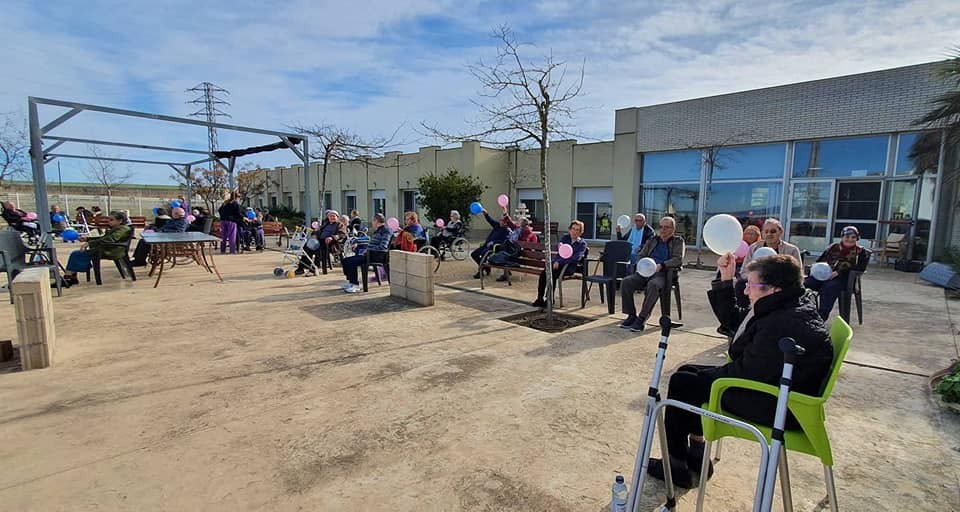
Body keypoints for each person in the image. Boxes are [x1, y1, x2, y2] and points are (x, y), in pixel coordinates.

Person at [646, 253, 834, 489]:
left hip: (778, 405)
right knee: (686, 373)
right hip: (778, 390)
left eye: (751, 285)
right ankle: (696, 455)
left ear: (773, 289)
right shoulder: (788, 304)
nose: (745, 291)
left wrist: (706, 377)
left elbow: (743, 373)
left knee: (683, 383)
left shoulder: (781, 324)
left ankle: (675, 467)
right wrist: (726, 280)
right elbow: (737, 323)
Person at [619, 216, 685, 332]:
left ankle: (642, 318)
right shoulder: (653, 240)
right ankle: (631, 315)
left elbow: (678, 259)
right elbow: (641, 255)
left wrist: (662, 265)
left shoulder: (678, 242)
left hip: (663, 274)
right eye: (661, 227)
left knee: (653, 285)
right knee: (626, 282)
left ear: (673, 229)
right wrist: (642, 264)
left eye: (666, 227)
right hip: (646, 272)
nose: (663, 230)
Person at [804, 226, 869, 320]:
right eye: (847, 237)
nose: (850, 239)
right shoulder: (833, 247)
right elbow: (820, 260)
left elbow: (860, 268)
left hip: (844, 280)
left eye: (853, 237)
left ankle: (821, 317)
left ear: (857, 238)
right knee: (805, 283)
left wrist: (839, 272)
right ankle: (801, 312)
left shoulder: (860, 252)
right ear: (842, 237)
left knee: (829, 287)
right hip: (825, 276)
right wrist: (816, 269)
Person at [62, 211, 132, 285]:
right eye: (108, 219)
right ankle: (71, 276)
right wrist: (87, 239)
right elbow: (103, 238)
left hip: (110, 251)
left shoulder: (123, 229)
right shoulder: (116, 228)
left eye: (111, 220)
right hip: (108, 249)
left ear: (120, 221)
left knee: (76, 254)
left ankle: (69, 277)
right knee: (77, 254)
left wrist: (89, 243)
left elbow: (110, 239)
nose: (109, 221)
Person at [531, 220, 588, 308]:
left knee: (552, 274)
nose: (574, 232)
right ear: (569, 230)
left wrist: (559, 262)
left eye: (577, 230)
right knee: (544, 274)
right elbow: (559, 251)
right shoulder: (565, 238)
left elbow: (576, 258)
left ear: (581, 232)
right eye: (573, 229)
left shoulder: (582, 244)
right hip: (557, 264)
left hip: (568, 267)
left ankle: (550, 299)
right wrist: (558, 247)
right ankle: (540, 298)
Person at [340, 213, 392, 294]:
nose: (372, 223)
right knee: (345, 260)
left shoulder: (386, 231)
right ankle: (351, 281)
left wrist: (368, 250)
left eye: (373, 221)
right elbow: (372, 244)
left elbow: (383, 246)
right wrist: (362, 246)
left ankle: (355, 285)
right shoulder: (378, 230)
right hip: (370, 253)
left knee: (351, 262)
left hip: (376, 255)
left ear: (376, 221)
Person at [296, 210, 346, 275]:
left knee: (319, 250)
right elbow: (318, 231)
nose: (332, 217)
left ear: (337, 217)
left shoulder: (340, 224)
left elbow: (342, 235)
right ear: (328, 217)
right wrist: (315, 235)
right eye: (330, 216)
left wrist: (332, 237)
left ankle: (314, 269)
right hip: (320, 241)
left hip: (331, 244)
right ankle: (301, 268)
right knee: (307, 247)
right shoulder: (326, 224)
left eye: (334, 216)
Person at [496, 206, 538, 282]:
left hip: (518, 251)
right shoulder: (518, 228)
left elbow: (525, 242)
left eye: (519, 221)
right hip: (512, 249)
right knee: (504, 248)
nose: (517, 222)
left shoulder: (526, 231)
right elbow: (510, 223)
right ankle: (506, 272)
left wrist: (515, 242)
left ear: (523, 224)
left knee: (504, 249)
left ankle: (505, 272)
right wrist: (505, 213)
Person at [471, 208, 511, 279]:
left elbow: (504, 241)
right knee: (474, 254)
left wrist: (493, 242)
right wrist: (485, 214)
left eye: (502, 221)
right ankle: (486, 267)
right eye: (500, 220)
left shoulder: (506, 231)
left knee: (483, 255)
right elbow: (490, 220)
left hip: (493, 248)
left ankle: (480, 271)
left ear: (506, 223)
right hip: (486, 245)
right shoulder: (497, 226)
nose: (500, 221)